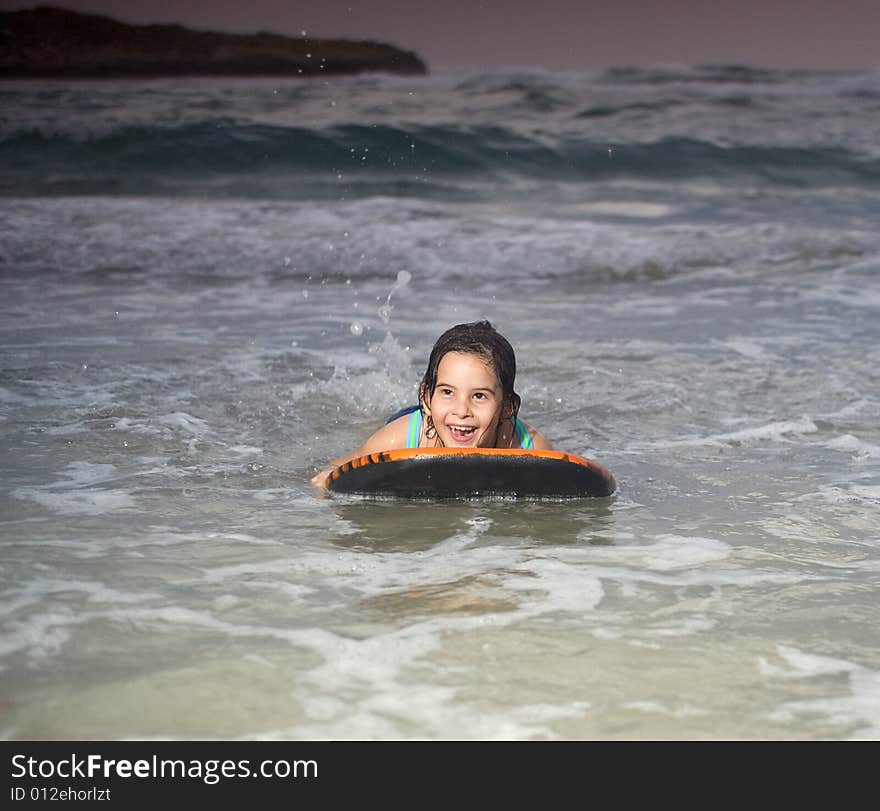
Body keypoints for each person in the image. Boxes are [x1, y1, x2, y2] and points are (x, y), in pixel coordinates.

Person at [311, 320, 552, 487]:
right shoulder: (399, 438)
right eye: (447, 391)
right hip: (422, 425)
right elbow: (339, 468)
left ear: (507, 407)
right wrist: (326, 480)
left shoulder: (528, 446)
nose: (461, 411)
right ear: (427, 396)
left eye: (479, 396)